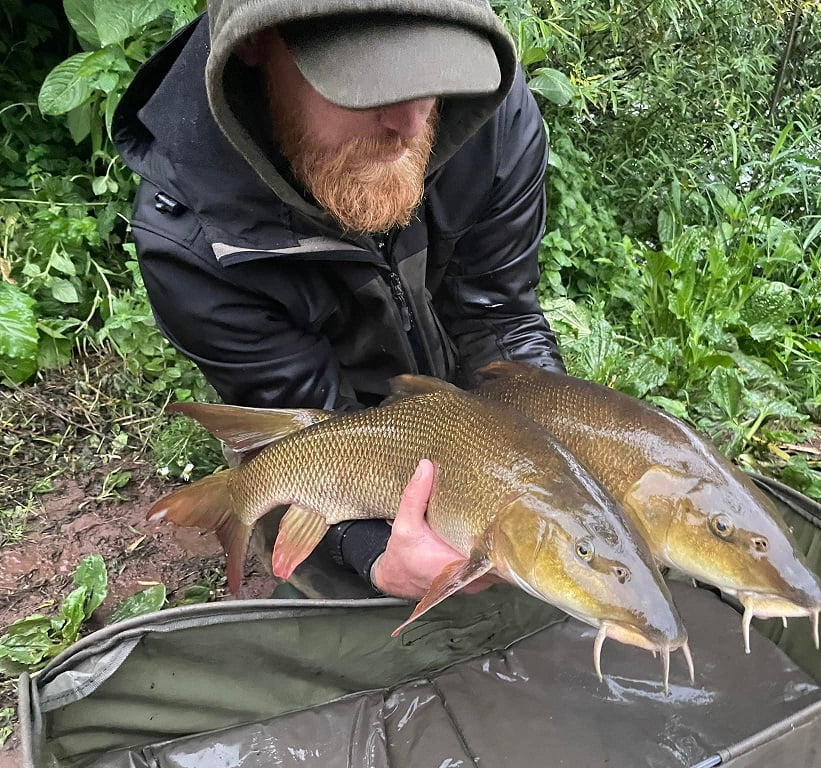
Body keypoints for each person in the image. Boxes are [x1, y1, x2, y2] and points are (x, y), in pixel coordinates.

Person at [112, 1, 565, 600]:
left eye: (433, 79)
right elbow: (301, 433)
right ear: (255, 45)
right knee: (356, 591)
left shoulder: (492, 118)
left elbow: (499, 315)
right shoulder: (191, 246)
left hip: (467, 422)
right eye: (367, 86)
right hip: (320, 438)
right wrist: (379, 556)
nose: (410, 124)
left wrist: (555, 471)